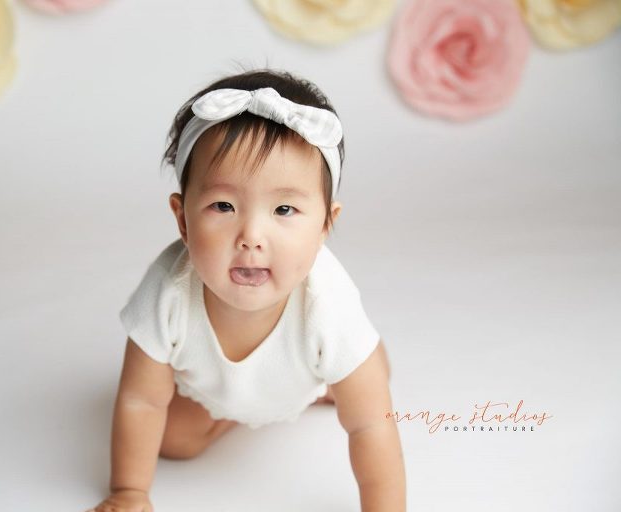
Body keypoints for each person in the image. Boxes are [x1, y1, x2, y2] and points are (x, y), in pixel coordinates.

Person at [89, 68, 406, 512]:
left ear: (325, 225)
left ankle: (331, 380)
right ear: (182, 219)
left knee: (368, 384)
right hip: (217, 392)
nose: (252, 236)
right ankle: (243, 411)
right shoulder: (167, 292)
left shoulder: (328, 306)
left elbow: (371, 427)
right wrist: (129, 491)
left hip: (302, 375)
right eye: (223, 206)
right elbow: (140, 398)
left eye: (284, 208)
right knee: (173, 439)